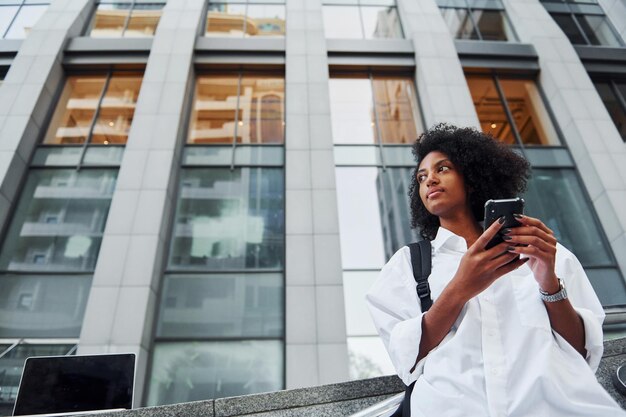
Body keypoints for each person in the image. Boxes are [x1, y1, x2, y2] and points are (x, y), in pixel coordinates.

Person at [366, 124, 625, 416]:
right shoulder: (407, 265)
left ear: (472, 177)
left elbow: (582, 351)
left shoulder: (542, 250)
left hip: (556, 407)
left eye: (443, 168)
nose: (429, 180)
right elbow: (406, 358)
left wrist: (548, 282)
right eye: (422, 176)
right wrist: (460, 287)